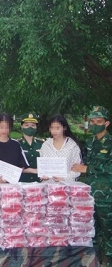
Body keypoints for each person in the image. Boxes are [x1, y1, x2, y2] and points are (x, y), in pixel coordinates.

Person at [71, 106, 112, 266]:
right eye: (92, 121)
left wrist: (88, 169)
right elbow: (82, 165)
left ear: (106, 123)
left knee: (109, 233)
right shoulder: (89, 142)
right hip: (88, 197)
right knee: (92, 231)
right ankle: (96, 261)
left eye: (99, 121)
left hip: (107, 197)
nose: (95, 124)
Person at [0, 113, 29, 183]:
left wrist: (12, 177)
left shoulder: (16, 144)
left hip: (11, 185)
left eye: (7, 127)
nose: (4, 130)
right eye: (1, 127)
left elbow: (22, 165)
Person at [39, 115, 81, 182]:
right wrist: (43, 175)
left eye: (57, 128)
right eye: (52, 128)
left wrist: (64, 178)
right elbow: (42, 166)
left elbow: (77, 168)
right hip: (48, 186)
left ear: (64, 128)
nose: (54, 131)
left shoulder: (72, 146)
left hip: (66, 187)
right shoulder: (46, 145)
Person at [18, 113, 43, 182]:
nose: (30, 127)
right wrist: (32, 170)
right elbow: (14, 166)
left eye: (33, 125)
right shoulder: (16, 144)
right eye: (26, 125)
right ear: (22, 126)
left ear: (36, 127)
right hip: (22, 182)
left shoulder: (42, 144)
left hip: (39, 182)